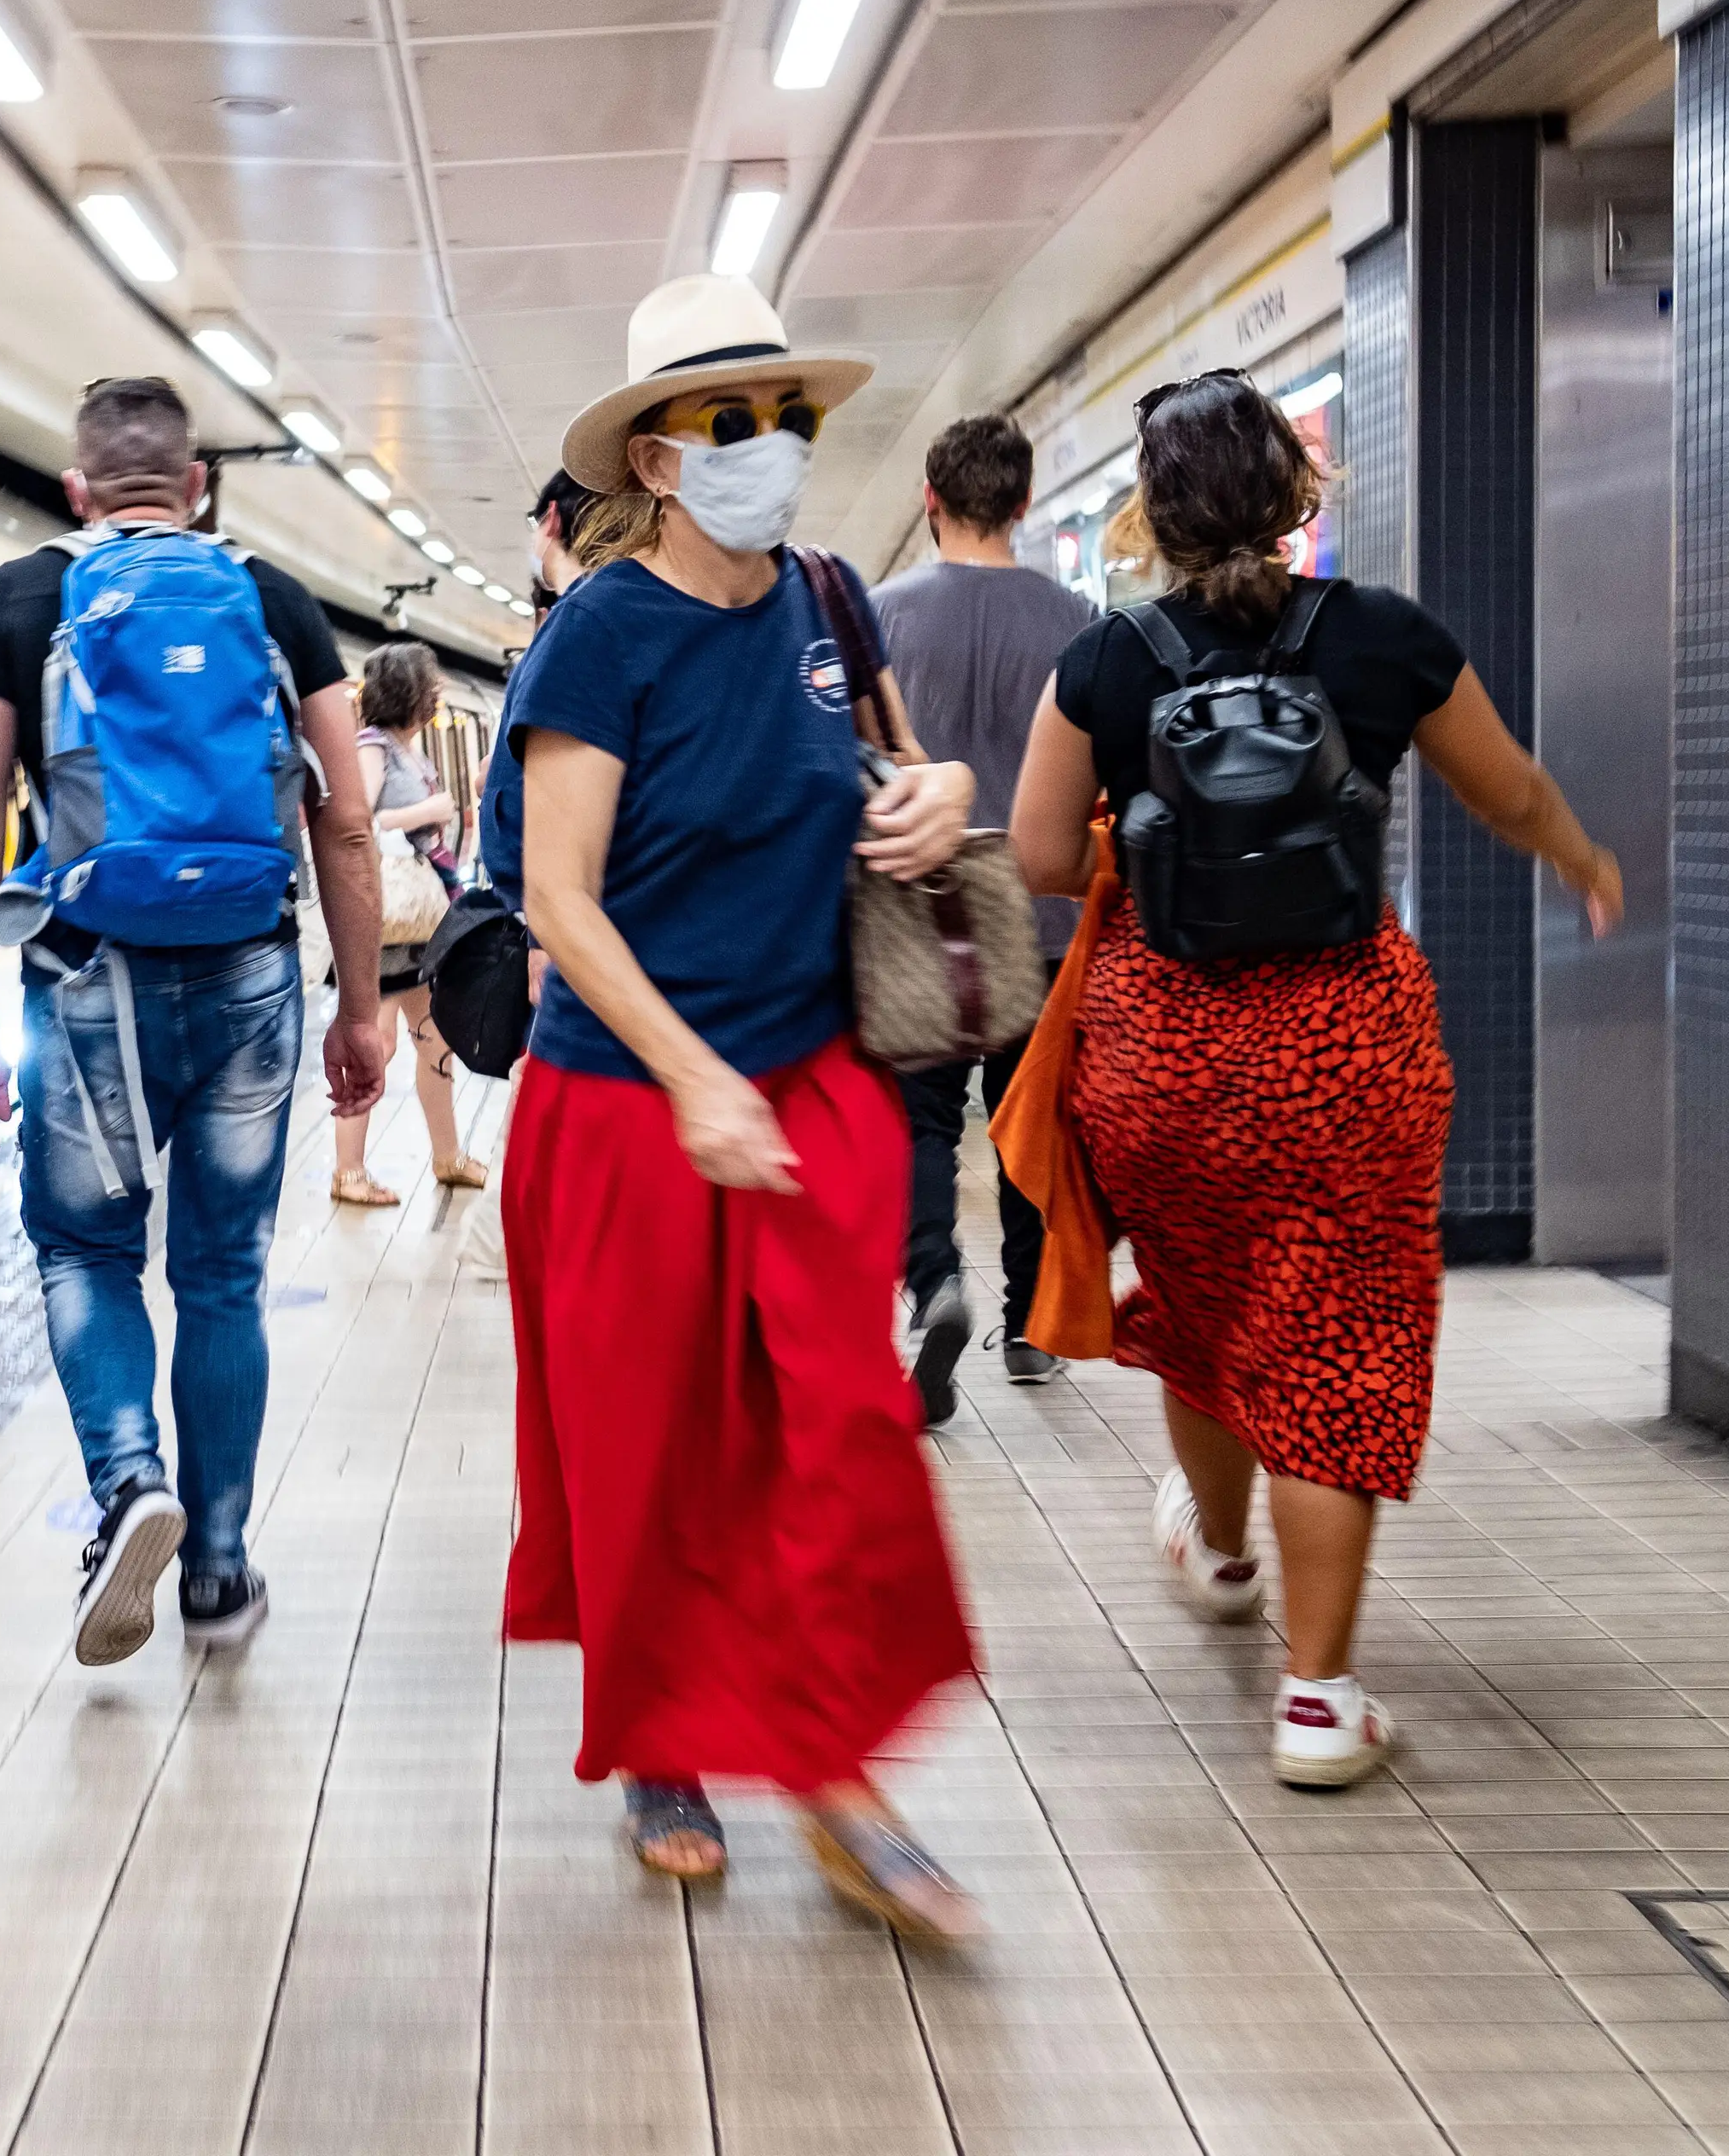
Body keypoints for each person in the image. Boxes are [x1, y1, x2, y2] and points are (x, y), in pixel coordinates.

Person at [1007, 368, 1622, 1790]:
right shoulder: (1384, 638)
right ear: (1299, 492)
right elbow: (1508, 789)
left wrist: (1145, 840)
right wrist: (1582, 857)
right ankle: (1320, 1701)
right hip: (1345, 1042)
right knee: (1332, 1340)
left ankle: (1221, 1556)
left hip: (1162, 1048)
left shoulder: (1105, 664)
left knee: (1211, 1300)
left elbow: (1041, 858)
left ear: (1152, 517)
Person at [504, 274, 980, 1936]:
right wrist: (691, 1076)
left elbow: (901, 766)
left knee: (843, 1431)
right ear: (656, 448)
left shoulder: (830, 601)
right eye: (731, 419)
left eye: (789, 415)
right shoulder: (603, 633)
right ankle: (663, 1746)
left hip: (812, 1083)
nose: (769, 445)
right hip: (631, 1106)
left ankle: (841, 1774)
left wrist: (941, 792)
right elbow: (562, 899)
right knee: (654, 1454)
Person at [0, 376, 386, 1667]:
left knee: (85, 1253)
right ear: (195, 485)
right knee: (223, 1277)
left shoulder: (20, 600)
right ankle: (222, 1569)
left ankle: (130, 1481)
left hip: (85, 980)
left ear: (76, 489)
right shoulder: (275, 598)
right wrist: (359, 1007)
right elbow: (345, 823)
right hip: (250, 974)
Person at [870, 416, 1094, 1413]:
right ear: (1022, 503)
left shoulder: (876, 616)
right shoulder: (1078, 619)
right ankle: (1035, 1323)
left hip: (918, 905)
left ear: (929, 499)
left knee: (919, 1119)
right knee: (1025, 1114)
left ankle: (935, 1283)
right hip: (1041, 907)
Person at [455, 472, 602, 1283]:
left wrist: (540, 927)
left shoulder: (572, 635)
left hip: (585, 955)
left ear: (550, 521)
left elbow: (517, 823)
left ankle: (515, 1241)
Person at [332, 640, 484, 1207]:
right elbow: (359, 821)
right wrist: (429, 812)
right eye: (431, 684)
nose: (438, 692)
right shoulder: (373, 746)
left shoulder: (409, 750)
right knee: (379, 1042)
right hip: (386, 922)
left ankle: (448, 1157)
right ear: (408, 691)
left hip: (420, 920)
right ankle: (348, 1171)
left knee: (434, 1040)